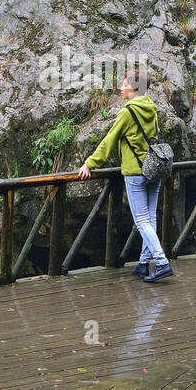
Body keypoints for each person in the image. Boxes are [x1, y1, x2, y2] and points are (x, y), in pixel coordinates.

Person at [77, 68, 174, 282]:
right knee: (150, 218)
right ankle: (142, 263)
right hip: (154, 169)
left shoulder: (127, 112)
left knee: (141, 221)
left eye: (124, 84)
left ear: (135, 88)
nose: (121, 88)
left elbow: (109, 140)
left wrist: (90, 163)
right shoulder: (152, 108)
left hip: (135, 173)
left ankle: (161, 262)